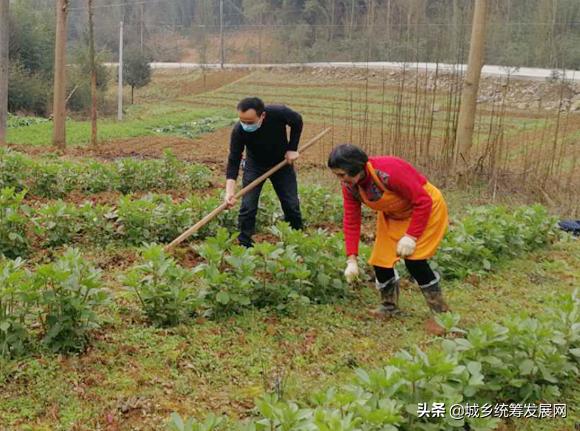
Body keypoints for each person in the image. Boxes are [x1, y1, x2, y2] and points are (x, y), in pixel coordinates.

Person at [327, 143, 450, 320]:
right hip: (394, 215)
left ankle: (442, 314)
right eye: (336, 175)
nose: (340, 180)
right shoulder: (350, 187)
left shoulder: (389, 170)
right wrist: (351, 258)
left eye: (342, 174)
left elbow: (423, 201)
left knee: (415, 261)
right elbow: (352, 220)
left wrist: (411, 237)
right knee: (380, 260)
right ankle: (388, 307)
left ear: (355, 168)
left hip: (425, 209)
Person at [224, 97, 304, 247]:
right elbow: (234, 160)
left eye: (250, 122)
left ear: (262, 116)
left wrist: (292, 148)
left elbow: (297, 120)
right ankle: (244, 244)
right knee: (247, 206)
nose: (245, 125)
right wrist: (229, 191)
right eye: (242, 121)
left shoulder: (278, 113)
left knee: (291, 204)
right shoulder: (239, 130)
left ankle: (297, 239)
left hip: (281, 164)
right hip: (255, 166)